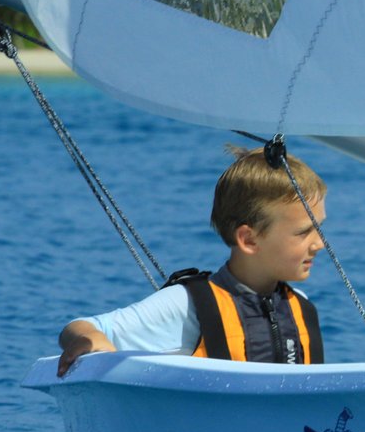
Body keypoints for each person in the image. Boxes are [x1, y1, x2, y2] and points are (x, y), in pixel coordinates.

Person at [57, 146, 327, 376]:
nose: (319, 243)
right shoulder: (189, 304)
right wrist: (90, 339)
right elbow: (85, 327)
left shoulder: (300, 307)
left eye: (319, 229)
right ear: (249, 240)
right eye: (304, 232)